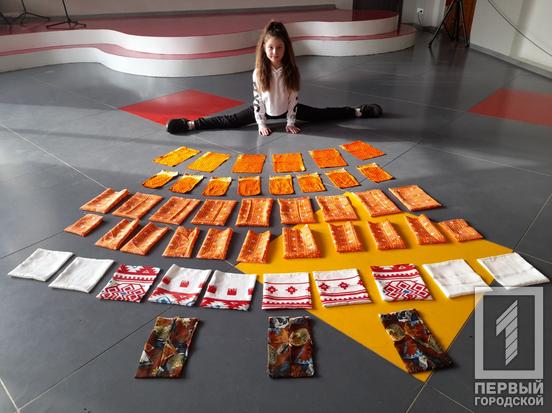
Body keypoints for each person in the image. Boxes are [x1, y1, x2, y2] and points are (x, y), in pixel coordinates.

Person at [166, 21, 382, 136]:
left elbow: (293, 98)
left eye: (279, 48)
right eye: (271, 47)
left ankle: (359, 111)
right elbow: (258, 101)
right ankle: (190, 124)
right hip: (265, 111)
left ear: (286, 49)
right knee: (230, 120)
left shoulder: (292, 70)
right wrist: (261, 123)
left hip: (287, 110)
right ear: (264, 48)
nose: (275, 52)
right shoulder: (259, 72)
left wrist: (290, 121)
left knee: (321, 114)